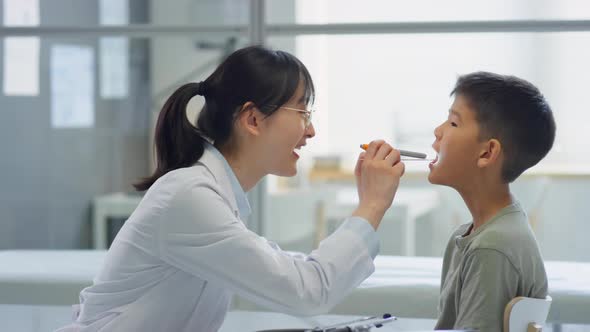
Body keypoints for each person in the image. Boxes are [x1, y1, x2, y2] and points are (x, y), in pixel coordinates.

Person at [55, 45, 405, 332]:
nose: (310, 131)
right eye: (302, 111)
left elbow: (284, 269)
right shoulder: (188, 196)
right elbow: (308, 291)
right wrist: (371, 206)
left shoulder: (210, 194)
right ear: (252, 119)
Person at [430, 72, 555, 331]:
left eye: (453, 123)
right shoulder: (480, 235)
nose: (438, 131)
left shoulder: (492, 247)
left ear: (487, 152)